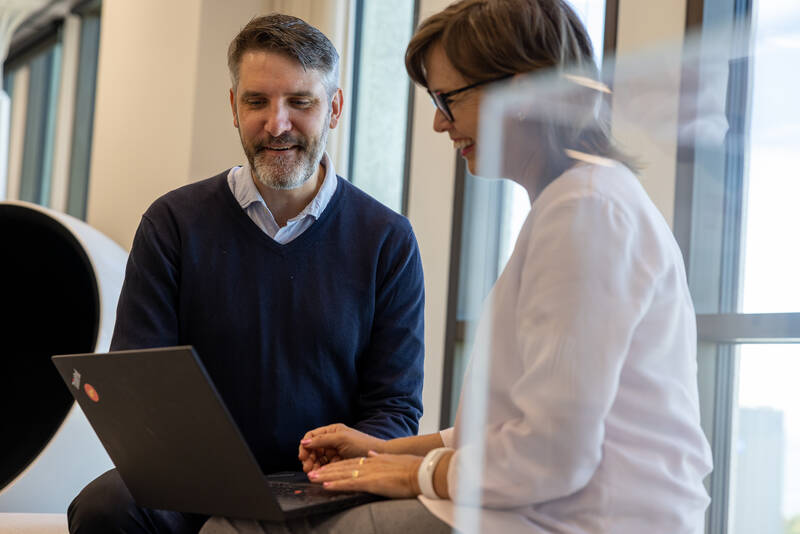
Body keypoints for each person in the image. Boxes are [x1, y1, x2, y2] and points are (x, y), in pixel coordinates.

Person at [201, 0, 714, 533]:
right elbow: (515, 428)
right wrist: (384, 452)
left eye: (449, 99)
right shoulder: (576, 204)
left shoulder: (587, 214)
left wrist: (409, 473)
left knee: (247, 528)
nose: (439, 122)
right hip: (555, 504)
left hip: (588, 519)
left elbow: (550, 456)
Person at [67, 13, 425, 534]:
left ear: (335, 108)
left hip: (326, 488)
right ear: (234, 108)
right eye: (257, 101)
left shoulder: (387, 240)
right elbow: (137, 383)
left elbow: (393, 408)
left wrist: (337, 467)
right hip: (192, 479)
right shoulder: (173, 224)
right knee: (107, 507)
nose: (276, 123)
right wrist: (206, 473)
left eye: (300, 102)